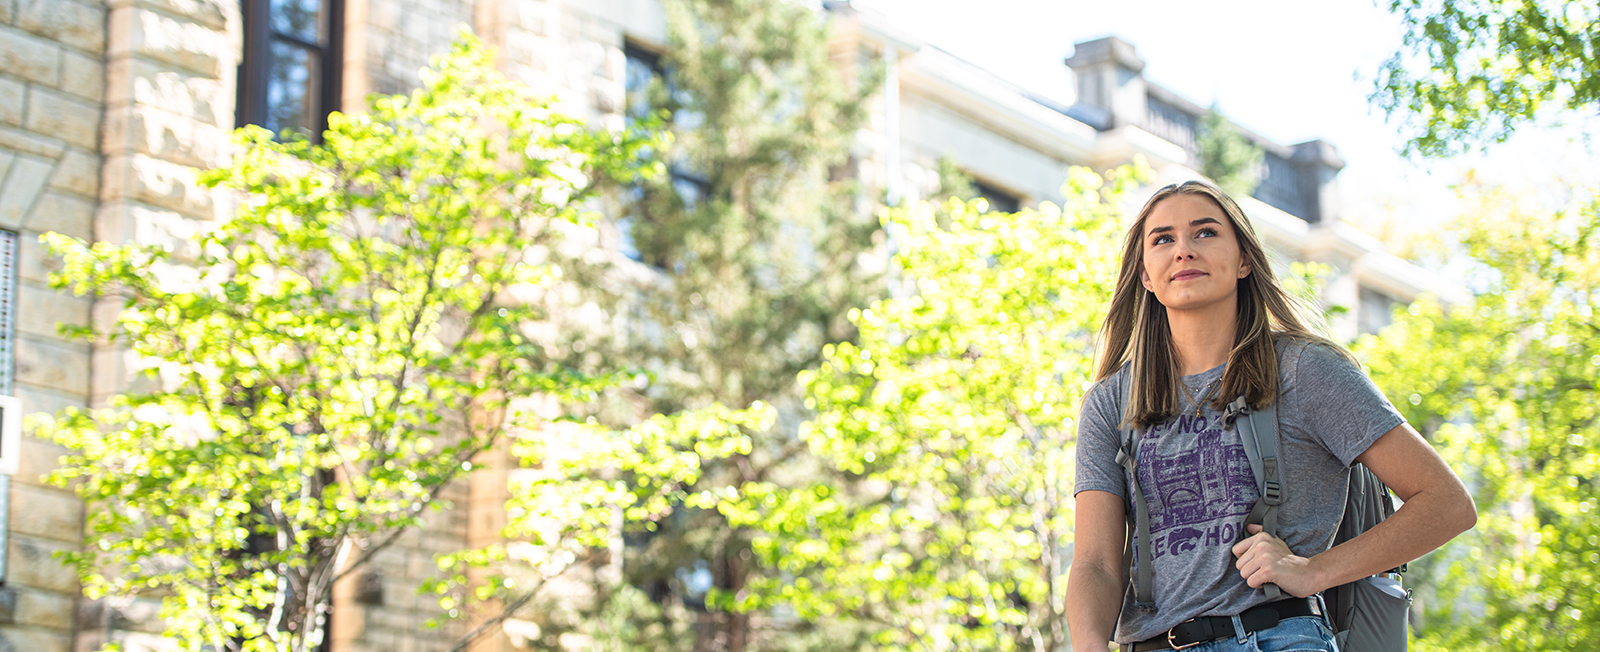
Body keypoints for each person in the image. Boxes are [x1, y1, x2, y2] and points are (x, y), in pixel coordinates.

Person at [1065, 180, 1476, 652]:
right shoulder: (1111, 401)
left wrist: (1312, 571)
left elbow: (1447, 503)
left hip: (1275, 638)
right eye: (1163, 239)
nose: (1183, 251)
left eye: (1204, 233)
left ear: (1244, 260)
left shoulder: (1306, 371)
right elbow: (1095, 562)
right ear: (1145, 275)